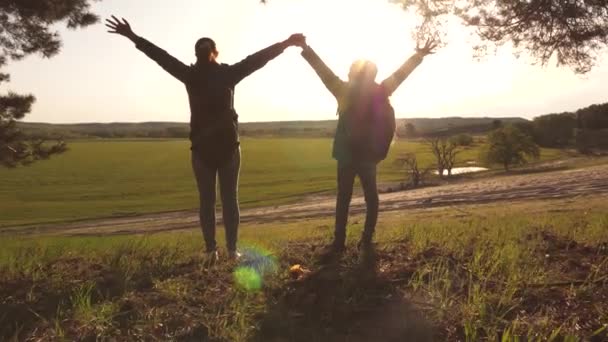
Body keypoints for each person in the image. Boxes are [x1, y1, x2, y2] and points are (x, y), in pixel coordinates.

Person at [106, 16, 304, 261]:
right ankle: (230, 251)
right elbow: (257, 60)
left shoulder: (190, 75)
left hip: (202, 149)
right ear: (215, 52)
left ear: (197, 54)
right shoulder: (227, 73)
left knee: (207, 202)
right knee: (229, 201)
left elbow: (161, 57)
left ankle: (212, 251)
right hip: (227, 147)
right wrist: (285, 43)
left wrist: (133, 37)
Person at [296, 37, 437, 252]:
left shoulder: (343, 90)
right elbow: (401, 75)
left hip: (346, 155)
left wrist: (306, 49)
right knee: (371, 197)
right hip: (369, 155)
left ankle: (339, 241)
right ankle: (367, 239)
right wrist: (417, 56)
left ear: (353, 74)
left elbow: (322, 71)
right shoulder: (381, 90)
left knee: (343, 198)